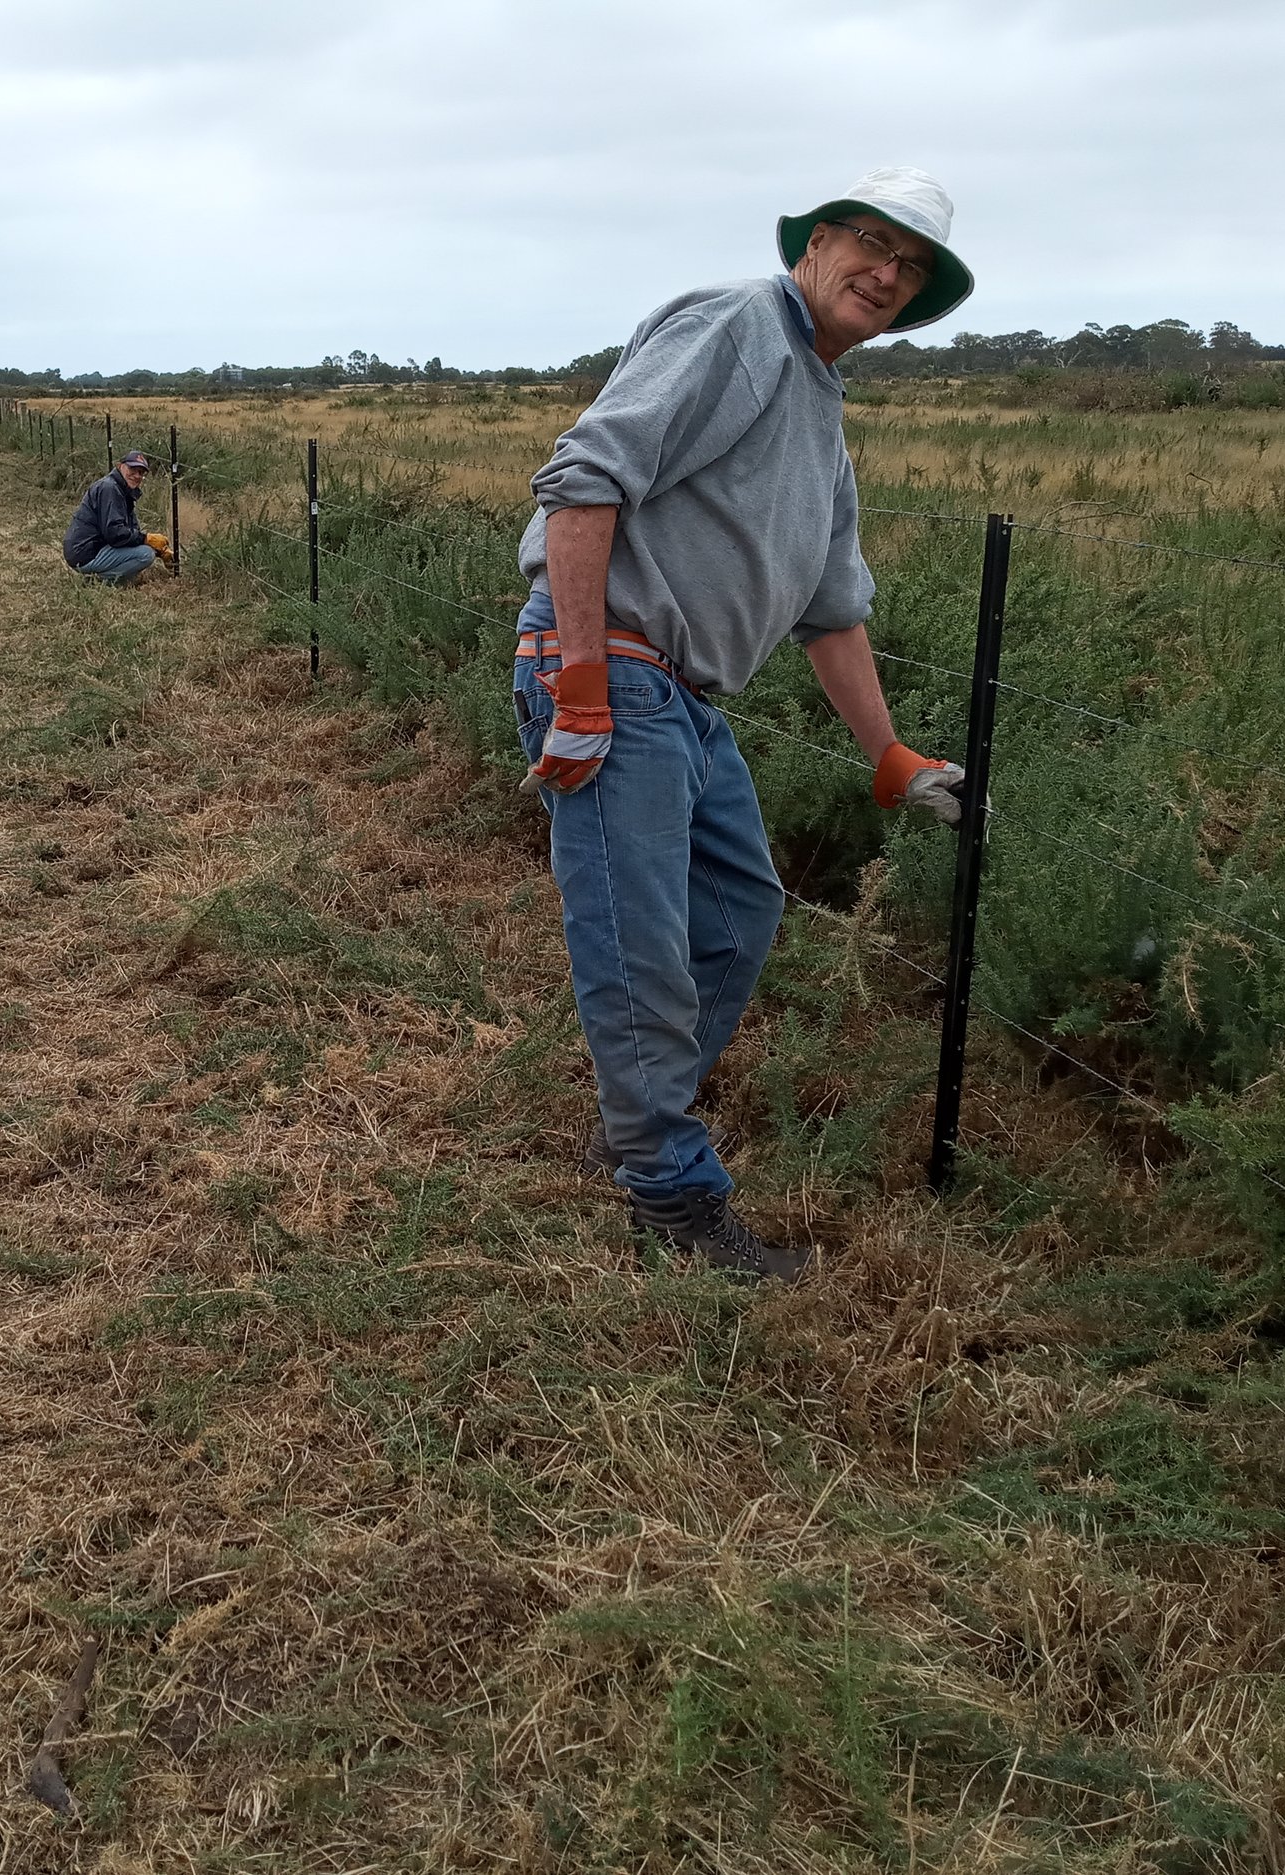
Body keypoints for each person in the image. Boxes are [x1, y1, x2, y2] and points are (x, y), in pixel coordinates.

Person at [512, 165, 977, 1281]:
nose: (884, 272)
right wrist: (578, 684)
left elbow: (831, 610)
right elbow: (582, 481)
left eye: (908, 266)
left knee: (737, 913)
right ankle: (670, 1194)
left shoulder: (820, 412)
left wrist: (889, 758)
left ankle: (635, 1126)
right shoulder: (739, 326)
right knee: (642, 950)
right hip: (614, 669)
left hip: (680, 693)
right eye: (868, 243)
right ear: (813, 245)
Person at [63, 449, 172, 583]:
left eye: (141, 472)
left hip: (88, 548)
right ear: (120, 466)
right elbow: (114, 534)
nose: (137, 475)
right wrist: (146, 539)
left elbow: (129, 531)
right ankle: (99, 581)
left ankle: (103, 576)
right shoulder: (110, 489)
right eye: (133, 469)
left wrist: (159, 550)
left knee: (147, 550)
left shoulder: (122, 490)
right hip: (85, 552)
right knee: (145, 555)